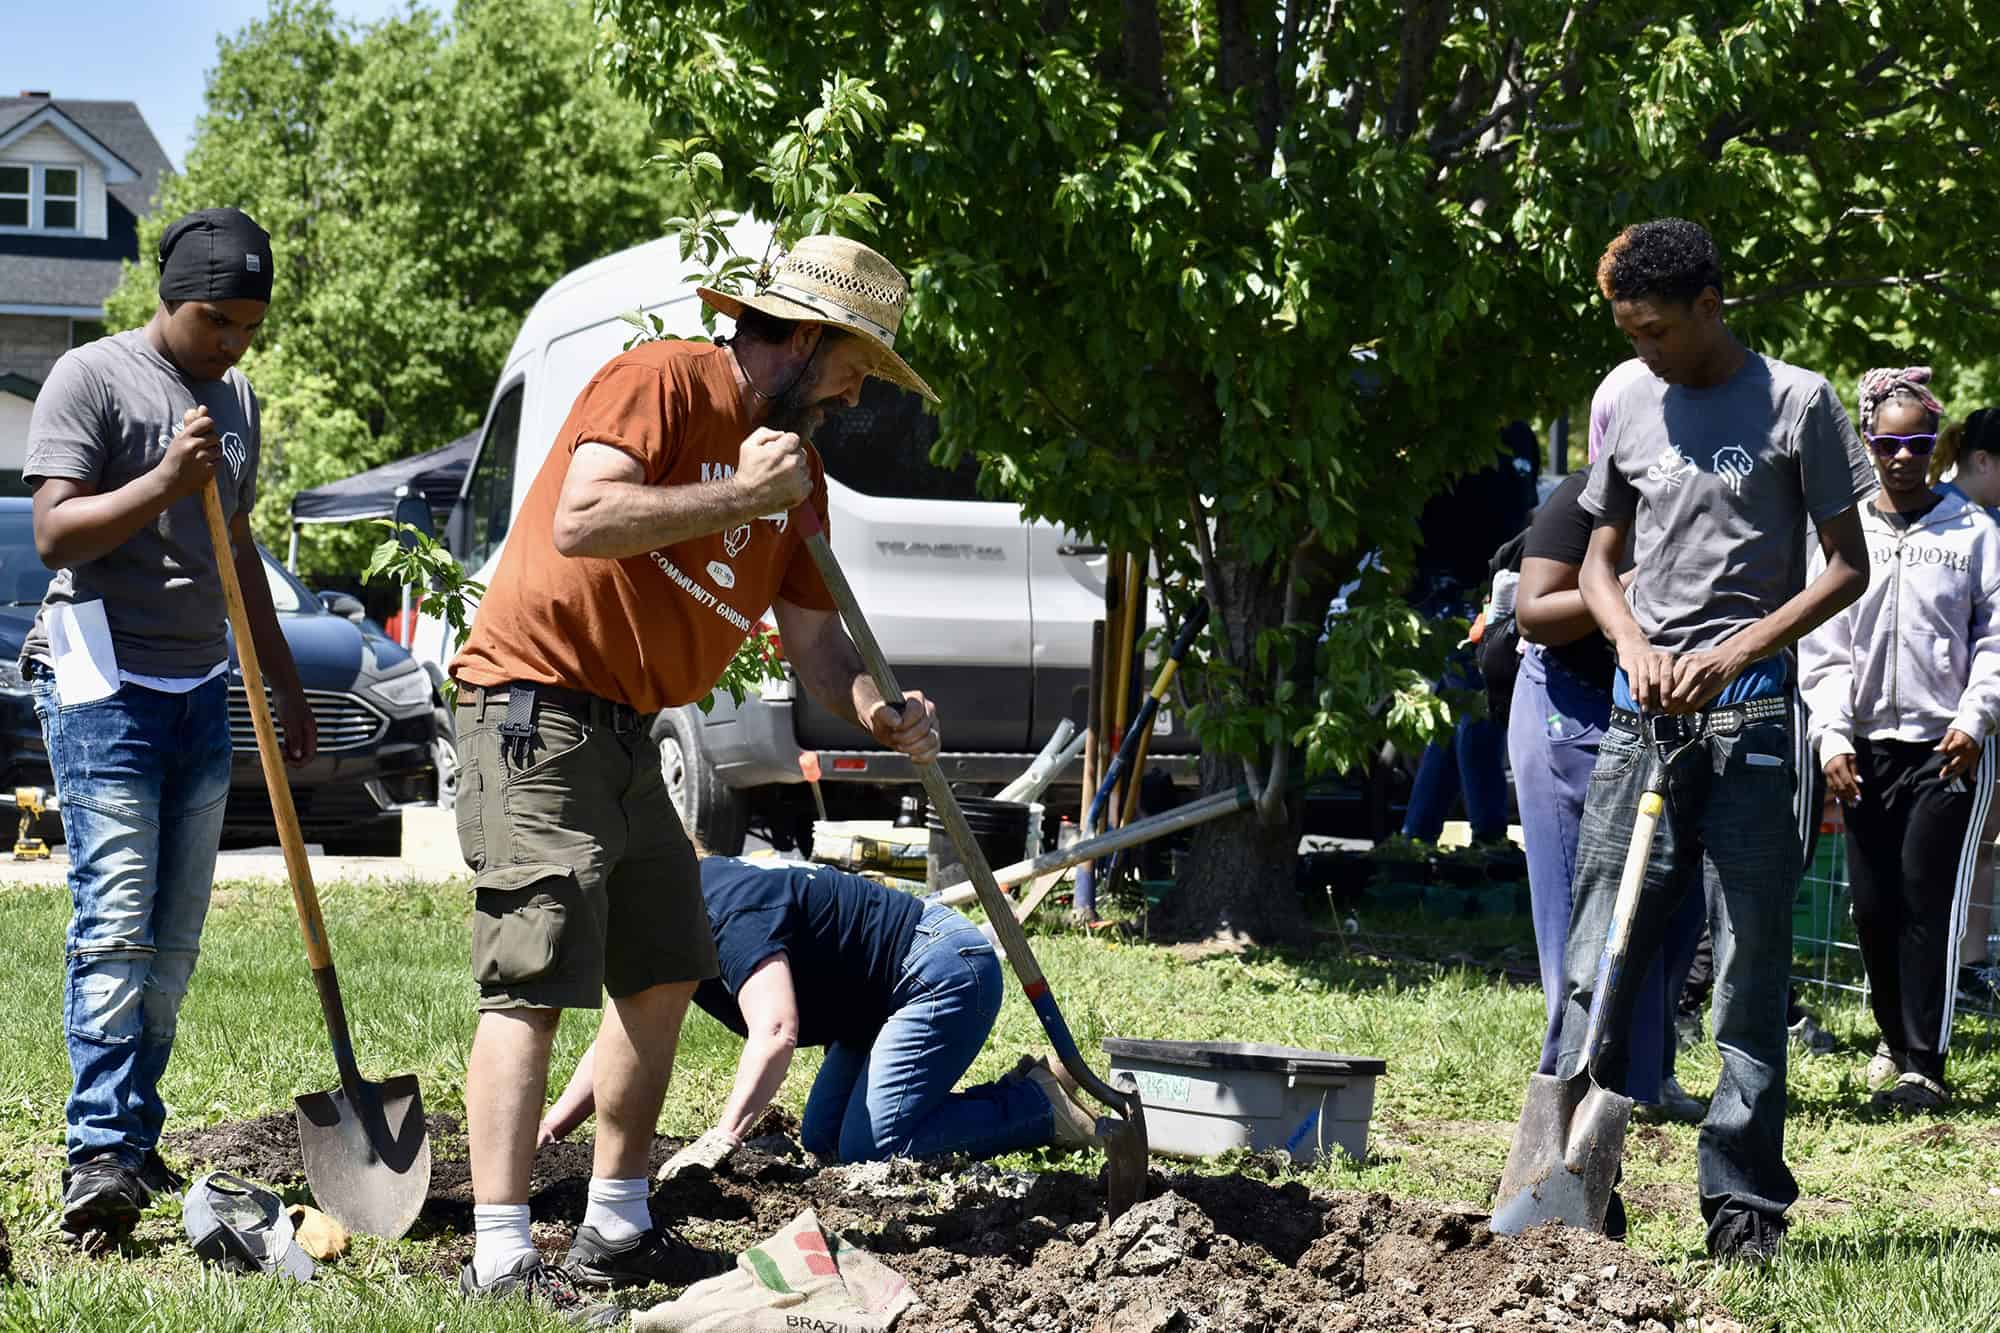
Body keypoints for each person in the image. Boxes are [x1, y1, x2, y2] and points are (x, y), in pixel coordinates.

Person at [446, 236, 946, 1316]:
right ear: (805, 341)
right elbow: (584, 518)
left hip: (627, 726)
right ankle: (499, 1256)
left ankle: (615, 1224)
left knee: (668, 959)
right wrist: (731, 497)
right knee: (535, 966)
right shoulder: (661, 378)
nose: (858, 392)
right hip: (532, 701)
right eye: (856, 363)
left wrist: (879, 711)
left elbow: (819, 648)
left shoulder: (794, 473)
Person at [1560, 218, 1874, 1262]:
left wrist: (1736, 649)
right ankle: (1571, 1184)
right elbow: (1598, 559)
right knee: (1594, 956)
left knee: (1745, 967)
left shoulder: (1796, 401)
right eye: (1627, 332)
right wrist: (1630, 638)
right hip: (1636, 725)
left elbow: (1843, 565)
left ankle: (1741, 1206)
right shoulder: (1631, 401)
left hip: (1746, 726)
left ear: (1707, 305)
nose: (1640, 350)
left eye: (1653, 330)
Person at [22, 207, 316, 1241]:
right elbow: (58, 533)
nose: (232, 342)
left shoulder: (235, 397)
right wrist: (159, 481)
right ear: (171, 296)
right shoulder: (92, 379)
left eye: (248, 324)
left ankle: (134, 1134)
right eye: (214, 319)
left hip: (198, 688)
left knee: (176, 936)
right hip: (105, 689)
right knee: (115, 925)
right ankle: (96, 1146)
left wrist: (277, 680)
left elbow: (235, 546)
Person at [539, 856, 1099, 1172]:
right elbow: (622, 1041)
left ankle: (1037, 1107)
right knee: (825, 1141)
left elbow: (777, 1029)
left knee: (874, 1149)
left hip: (940, 968)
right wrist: (552, 1127)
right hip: (872, 1001)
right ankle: (1028, 1091)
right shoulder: (664, 916)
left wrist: (723, 1136)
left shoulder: (722, 920)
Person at [1512, 350, 1705, 1126]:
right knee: (1583, 917)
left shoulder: (1694, 499)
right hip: (1571, 710)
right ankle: (1571, 1085)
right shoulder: (1579, 501)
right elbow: (1533, 609)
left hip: (1658, 719)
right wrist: (1620, 592)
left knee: (1669, 909)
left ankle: (1644, 1084)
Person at [1800, 370, 2000, 1113]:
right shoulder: (1846, 531)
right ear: (1869, 443)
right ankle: (1895, 1042)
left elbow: (1995, 639)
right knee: (1874, 906)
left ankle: (1927, 1062)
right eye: (1890, 443)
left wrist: (1974, 717)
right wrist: (1830, 736)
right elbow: (1823, 645)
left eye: (1919, 442)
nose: (1904, 456)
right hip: (1863, 752)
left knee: (1927, 899)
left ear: (1933, 445)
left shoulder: (1974, 532)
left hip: (1948, 748)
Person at [1936, 406, 2000, 1010]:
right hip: (1942, 719)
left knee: (1983, 842)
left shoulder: (1991, 520)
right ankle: (1939, 966)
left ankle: (1969, 963)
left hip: (1983, 709)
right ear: (1983, 459)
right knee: (1942, 851)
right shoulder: (1948, 519)